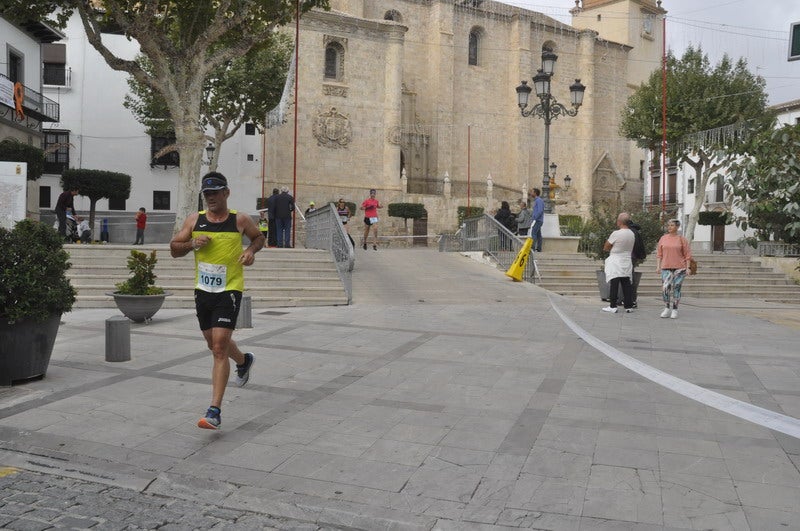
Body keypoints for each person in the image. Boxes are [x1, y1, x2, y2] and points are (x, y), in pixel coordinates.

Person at [169, 172, 265, 430]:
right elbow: (174, 249)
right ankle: (244, 361)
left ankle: (214, 411)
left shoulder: (239, 219)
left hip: (229, 289)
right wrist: (192, 243)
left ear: (226, 193)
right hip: (203, 290)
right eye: (207, 194)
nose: (210, 197)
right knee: (213, 343)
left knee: (220, 347)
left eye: (215, 193)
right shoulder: (194, 220)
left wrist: (250, 251)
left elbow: (259, 238)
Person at [656, 218, 693, 319]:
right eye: (668, 225)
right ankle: (667, 308)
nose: (669, 227)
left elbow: (687, 255)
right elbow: (659, 254)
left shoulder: (682, 239)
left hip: (680, 268)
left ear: (677, 227)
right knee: (665, 288)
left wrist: (688, 267)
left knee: (677, 288)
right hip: (666, 267)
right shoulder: (663, 238)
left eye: (672, 225)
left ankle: (675, 309)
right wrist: (658, 266)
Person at [601, 212, 635, 314]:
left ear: (619, 222)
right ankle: (628, 306)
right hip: (627, 260)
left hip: (616, 260)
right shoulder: (632, 233)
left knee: (614, 283)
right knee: (626, 283)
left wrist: (612, 248)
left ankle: (613, 306)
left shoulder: (616, 233)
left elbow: (606, 246)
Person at [530, 188, 544, 252]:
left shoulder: (539, 200)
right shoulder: (537, 200)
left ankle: (533, 248)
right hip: (538, 220)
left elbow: (540, 211)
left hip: (538, 220)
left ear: (535, 193)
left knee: (533, 233)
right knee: (538, 235)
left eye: (532, 192)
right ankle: (539, 248)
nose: (531, 193)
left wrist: (535, 218)